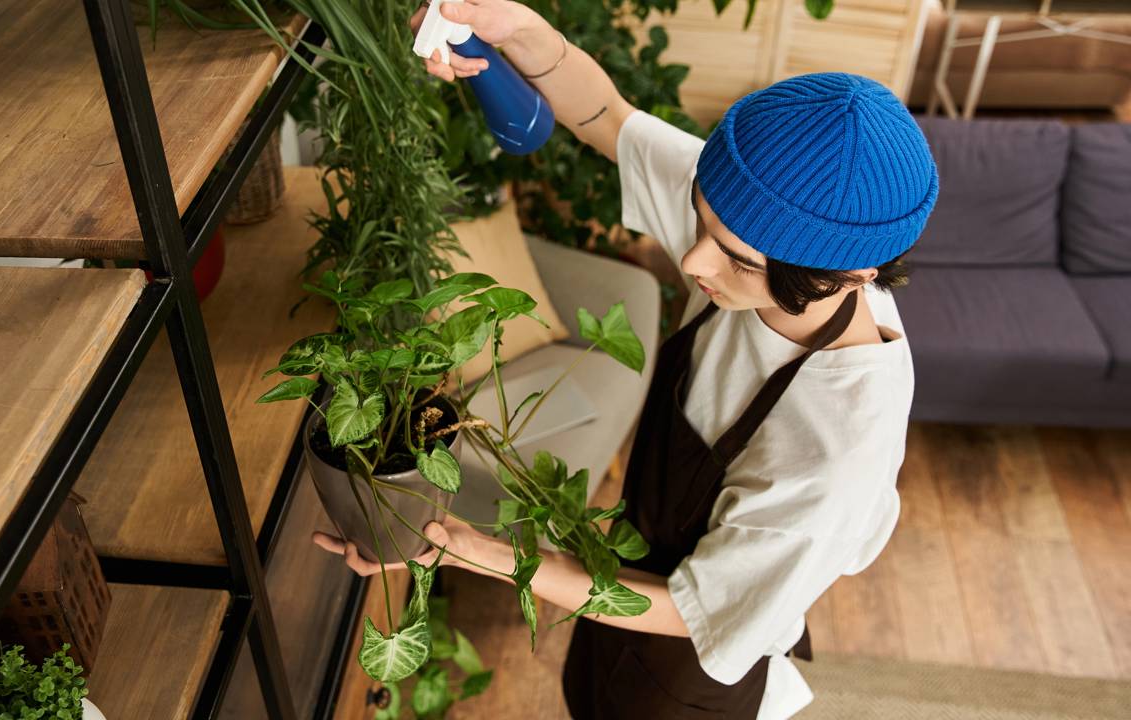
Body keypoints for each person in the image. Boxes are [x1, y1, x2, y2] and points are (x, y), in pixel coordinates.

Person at [313, 1, 938, 717]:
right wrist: (509, 27)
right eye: (701, 218)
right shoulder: (754, 216)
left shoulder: (837, 448)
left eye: (736, 258)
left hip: (689, 672)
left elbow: (693, 611)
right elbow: (605, 116)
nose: (695, 257)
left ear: (846, 276)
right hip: (618, 590)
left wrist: (470, 551)